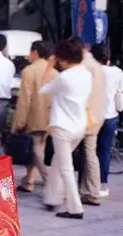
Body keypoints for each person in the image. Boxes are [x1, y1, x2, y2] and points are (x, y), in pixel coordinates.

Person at [40, 37, 92, 219]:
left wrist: (49, 66)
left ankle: (75, 208)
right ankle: (52, 197)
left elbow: (43, 88)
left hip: (63, 127)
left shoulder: (64, 78)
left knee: (66, 168)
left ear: (63, 58)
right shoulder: (86, 74)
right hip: (79, 125)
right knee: (58, 161)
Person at [12, 41, 56, 192]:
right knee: (38, 148)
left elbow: (25, 100)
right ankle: (29, 180)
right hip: (51, 117)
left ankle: (52, 182)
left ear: (35, 52)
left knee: (37, 151)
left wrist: (20, 122)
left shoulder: (29, 71)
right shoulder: (54, 72)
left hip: (35, 116)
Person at [92, 44, 123, 197]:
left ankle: (86, 183)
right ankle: (102, 185)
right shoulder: (118, 73)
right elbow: (119, 96)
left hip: (92, 117)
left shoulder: (90, 71)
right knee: (104, 152)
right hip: (110, 116)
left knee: (89, 151)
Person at [78, 43, 106, 206]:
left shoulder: (84, 66)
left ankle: (62, 192)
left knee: (67, 153)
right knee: (91, 153)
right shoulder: (97, 67)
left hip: (85, 116)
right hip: (96, 116)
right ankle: (92, 191)